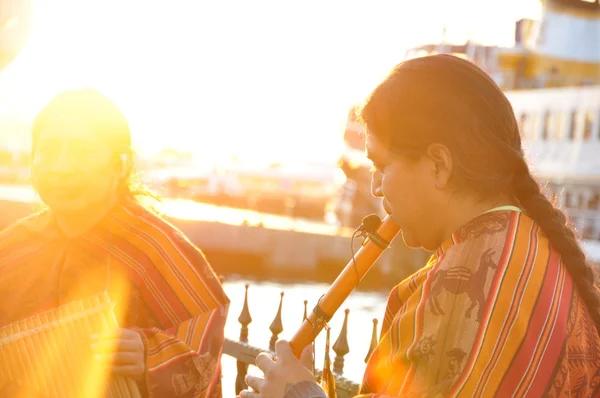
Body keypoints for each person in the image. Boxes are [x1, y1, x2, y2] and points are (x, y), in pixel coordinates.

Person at [239, 54, 600, 397]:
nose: (375, 187)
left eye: (381, 166)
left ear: (439, 165)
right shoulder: (528, 243)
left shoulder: (469, 281)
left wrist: (300, 393)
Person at [0, 88, 230, 397]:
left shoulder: (157, 246)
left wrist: (150, 355)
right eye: (49, 150)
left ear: (121, 165)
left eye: (82, 151)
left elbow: (204, 342)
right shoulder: (13, 247)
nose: (60, 167)